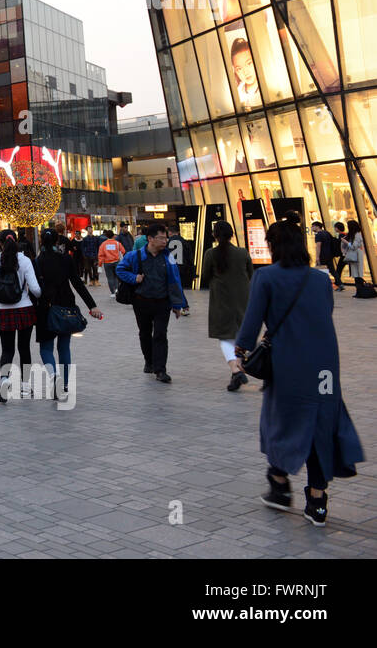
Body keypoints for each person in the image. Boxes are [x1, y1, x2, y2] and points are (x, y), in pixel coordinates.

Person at [235, 216, 364, 527]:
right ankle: (317, 502)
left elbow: (252, 322)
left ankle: (279, 483)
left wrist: (241, 351)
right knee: (321, 425)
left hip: (288, 365)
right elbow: (323, 316)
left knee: (281, 421)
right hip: (324, 368)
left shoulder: (266, 277)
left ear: (274, 246)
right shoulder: (321, 280)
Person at [116, 222, 189, 384]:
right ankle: (149, 361)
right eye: (161, 238)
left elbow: (174, 280)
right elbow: (120, 269)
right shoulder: (135, 256)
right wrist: (133, 278)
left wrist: (178, 305)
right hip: (141, 302)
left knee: (161, 335)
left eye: (166, 238)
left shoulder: (168, 256)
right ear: (150, 239)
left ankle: (160, 370)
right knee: (145, 333)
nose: (165, 241)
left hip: (162, 303)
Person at [34, 229, 102, 401]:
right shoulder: (66, 259)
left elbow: (34, 288)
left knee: (46, 348)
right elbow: (78, 283)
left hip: (45, 307)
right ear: (58, 242)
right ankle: (64, 384)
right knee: (64, 347)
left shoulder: (38, 261)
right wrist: (92, 305)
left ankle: (53, 377)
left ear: (41, 241)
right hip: (66, 305)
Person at [201, 220, 253, 392]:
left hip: (221, 300)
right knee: (239, 336)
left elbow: (205, 275)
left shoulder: (210, 253)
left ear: (214, 235)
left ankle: (235, 369)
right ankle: (236, 374)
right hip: (242, 298)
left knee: (225, 337)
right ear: (232, 234)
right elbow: (250, 273)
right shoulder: (242, 252)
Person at [0, 233, 42, 402]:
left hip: (3, 310)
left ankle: (4, 381)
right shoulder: (25, 260)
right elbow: (34, 288)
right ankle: (25, 386)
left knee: (7, 350)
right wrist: (41, 296)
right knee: (24, 349)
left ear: (0, 243)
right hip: (24, 308)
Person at [340, 219, 365, 293]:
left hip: (356, 256)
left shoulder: (357, 235)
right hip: (355, 256)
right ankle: (359, 291)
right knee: (356, 274)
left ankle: (360, 291)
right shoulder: (354, 234)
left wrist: (346, 242)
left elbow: (353, 246)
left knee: (357, 274)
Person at [97, 229, 124, 296]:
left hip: (107, 263)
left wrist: (100, 265)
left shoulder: (103, 244)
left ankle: (112, 292)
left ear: (106, 236)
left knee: (110, 278)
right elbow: (123, 251)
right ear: (113, 236)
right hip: (116, 262)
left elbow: (100, 255)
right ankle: (117, 289)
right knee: (116, 277)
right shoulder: (117, 243)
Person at [330, 221, 347, 289]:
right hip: (345, 254)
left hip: (344, 255)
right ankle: (338, 283)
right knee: (339, 269)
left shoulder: (341, 235)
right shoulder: (345, 234)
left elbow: (340, 245)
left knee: (338, 269)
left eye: (335, 227)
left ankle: (338, 284)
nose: (334, 229)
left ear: (337, 228)